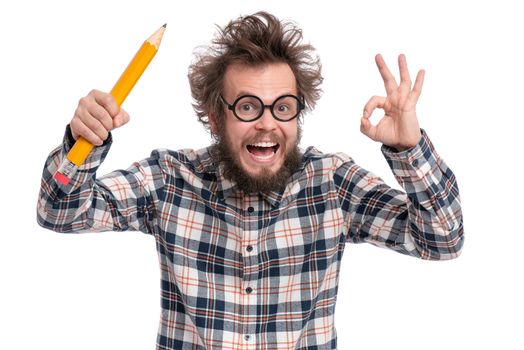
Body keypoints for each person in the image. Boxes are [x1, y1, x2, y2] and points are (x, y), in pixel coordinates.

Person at [37, 11, 464, 350]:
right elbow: (59, 212)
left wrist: (409, 149)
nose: (266, 124)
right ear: (215, 115)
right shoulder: (170, 179)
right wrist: (83, 142)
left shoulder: (331, 182)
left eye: (283, 107)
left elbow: (443, 239)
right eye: (247, 106)